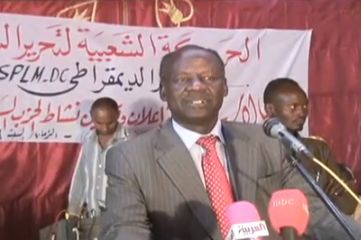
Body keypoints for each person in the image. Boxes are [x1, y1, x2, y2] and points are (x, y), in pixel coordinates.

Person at [101, 45, 361, 240]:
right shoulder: (130, 158)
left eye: (209, 78)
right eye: (182, 79)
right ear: (163, 90)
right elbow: (127, 230)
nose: (197, 86)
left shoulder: (267, 142)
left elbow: (315, 211)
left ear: (225, 88)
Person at [263, 77, 358, 215]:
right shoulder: (258, 151)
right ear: (270, 109)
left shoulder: (318, 149)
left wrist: (343, 190)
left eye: (305, 106)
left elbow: (348, 207)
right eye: (293, 107)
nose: (302, 113)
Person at [67, 97, 129, 239]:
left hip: (122, 220)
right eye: (99, 123)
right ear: (91, 117)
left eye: (110, 122)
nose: (105, 128)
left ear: (118, 115)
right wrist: (73, 212)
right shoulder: (89, 140)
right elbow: (81, 177)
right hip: (93, 220)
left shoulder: (131, 141)